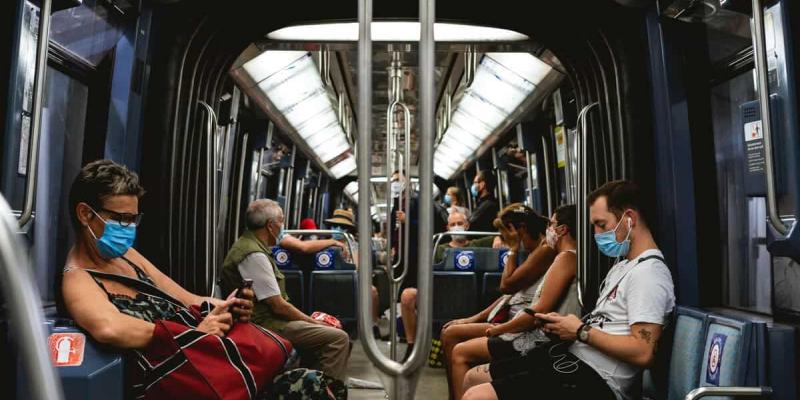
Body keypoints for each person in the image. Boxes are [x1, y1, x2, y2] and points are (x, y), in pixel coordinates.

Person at [461, 180, 675, 400]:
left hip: (598, 381)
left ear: (629, 219)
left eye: (601, 224)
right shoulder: (622, 267)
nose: (596, 233)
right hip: (573, 359)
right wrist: (563, 327)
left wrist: (581, 331)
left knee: (477, 396)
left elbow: (643, 352)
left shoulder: (649, 274)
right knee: (472, 378)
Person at [59, 160, 256, 393]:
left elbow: (185, 298)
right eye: (122, 219)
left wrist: (226, 305)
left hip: (194, 373)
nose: (129, 228)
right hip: (167, 385)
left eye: (134, 219)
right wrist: (192, 336)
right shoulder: (77, 279)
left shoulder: (128, 256)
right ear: (85, 214)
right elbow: (109, 327)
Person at [449, 205, 578, 400]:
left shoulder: (563, 258)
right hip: (529, 328)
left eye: (551, 224)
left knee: (460, 352)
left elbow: (534, 308)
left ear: (562, 229)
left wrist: (501, 330)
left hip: (537, 337)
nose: (548, 229)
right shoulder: (559, 256)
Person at [221, 199, 350, 382]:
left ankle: (314, 386)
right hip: (265, 324)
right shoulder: (253, 255)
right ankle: (326, 392)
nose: (283, 226)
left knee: (323, 333)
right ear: (271, 226)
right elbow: (278, 306)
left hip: (270, 320)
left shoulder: (255, 246)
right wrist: (313, 323)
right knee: (338, 339)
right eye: (281, 221)